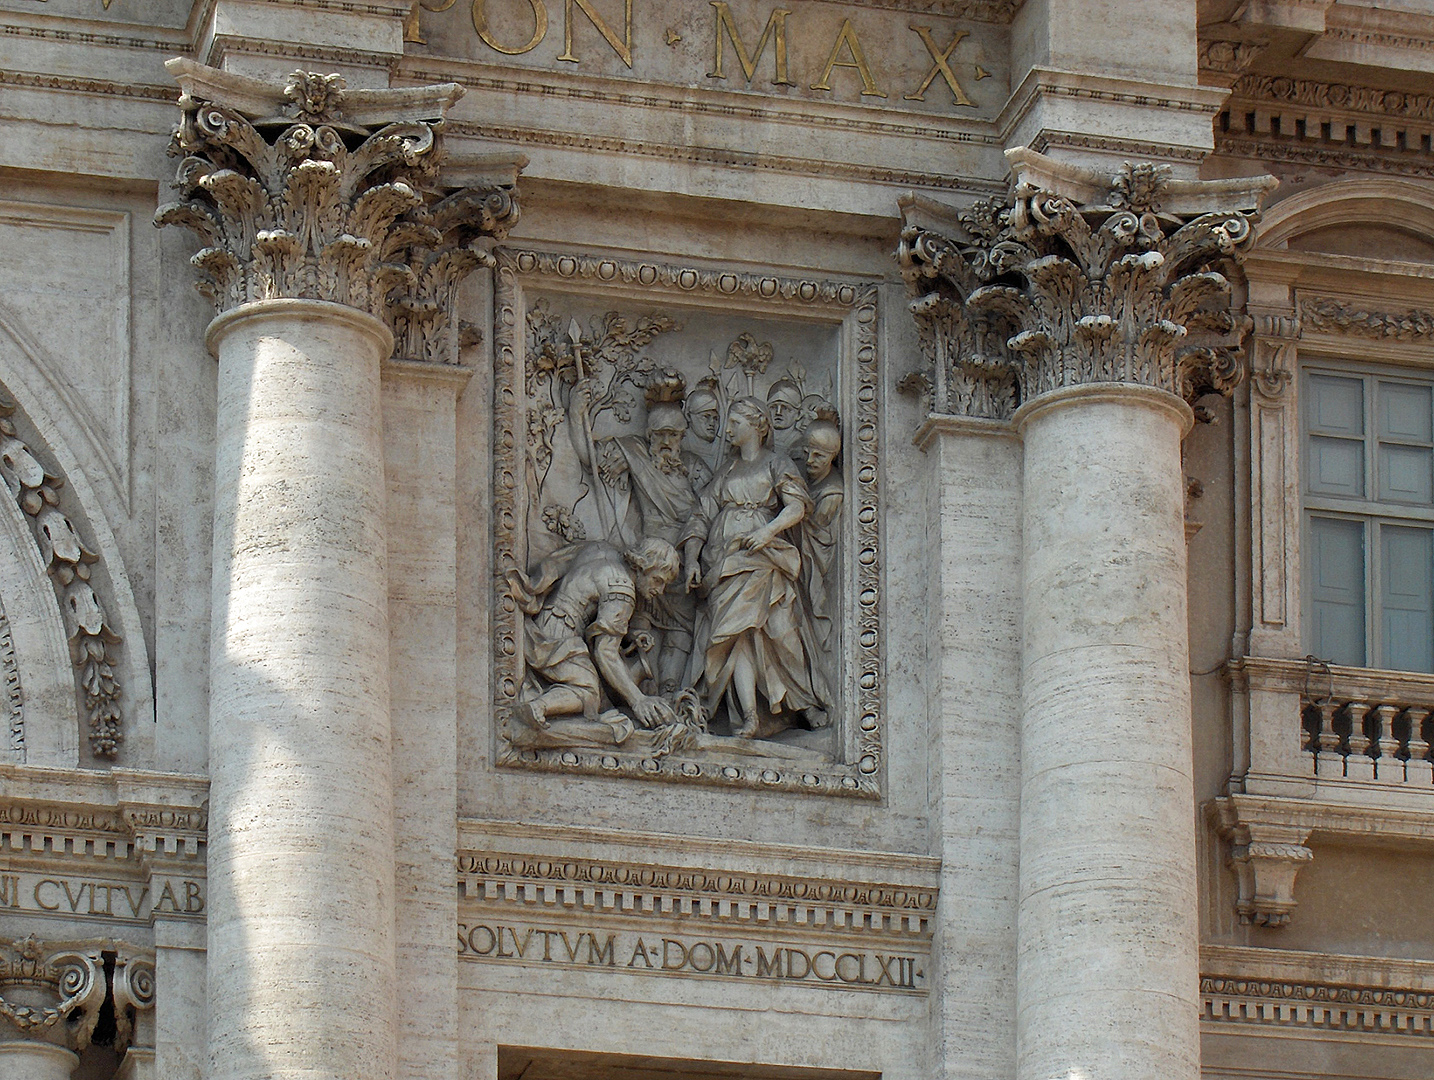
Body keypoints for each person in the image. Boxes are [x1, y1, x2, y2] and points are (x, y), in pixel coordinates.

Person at [684, 397, 825, 738]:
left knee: (781, 630)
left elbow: (797, 506)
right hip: (724, 561)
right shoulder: (727, 472)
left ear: (756, 425)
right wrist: (691, 558)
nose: (727, 428)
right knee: (737, 637)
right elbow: (701, 516)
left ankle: (803, 701)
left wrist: (767, 531)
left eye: (735, 422)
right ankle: (748, 716)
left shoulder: (775, 463)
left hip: (764, 556)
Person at [570, 373, 711, 693]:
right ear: (648, 434)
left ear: (683, 435)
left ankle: (673, 692)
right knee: (639, 629)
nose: (666, 442)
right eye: (659, 434)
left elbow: (711, 512)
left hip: (685, 566)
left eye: (673, 435)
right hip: (649, 562)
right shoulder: (633, 453)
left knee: (680, 635)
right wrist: (577, 410)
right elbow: (589, 457)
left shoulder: (697, 468)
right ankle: (642, 695)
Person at [506, 538, 681, 734]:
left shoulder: (603, 551)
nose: (660, 590)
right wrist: (638, 699)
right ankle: (539, 706)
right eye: (657, 580)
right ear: (640, 565)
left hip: (545, 620)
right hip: (559, 638)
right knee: (589, 692)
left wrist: (629, 633)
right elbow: (605, 652)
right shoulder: (622, 590)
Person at [798, 408, 843, 663]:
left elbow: (813, 530)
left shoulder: (831, 493)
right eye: (807, 453)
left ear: (832, 457)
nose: (810, 461)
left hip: (811, 564)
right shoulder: (807, 476)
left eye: (819, 456)